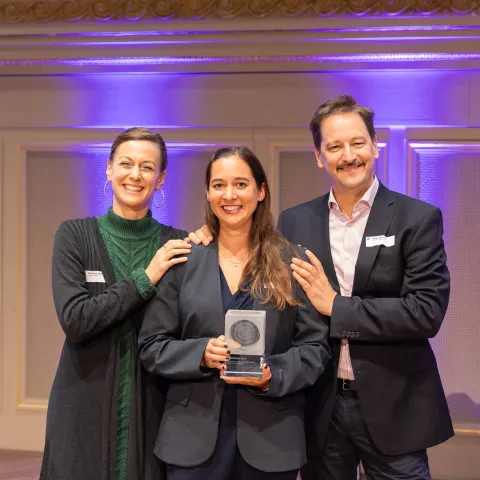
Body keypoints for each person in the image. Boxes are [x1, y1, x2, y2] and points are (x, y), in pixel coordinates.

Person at [277, 95, 453, 479]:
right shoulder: (294, 222)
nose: (349, 155)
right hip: (319, 408)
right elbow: (280, 305)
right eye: (334, 146)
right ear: (319, 156)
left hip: (395, 407)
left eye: (358, 142)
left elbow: (426, 312)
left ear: (375, 146)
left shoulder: (417, 218)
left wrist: (336, 306)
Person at [138, 146, 331, 480]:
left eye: (241, 184)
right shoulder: (184, 259)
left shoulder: (291, 261)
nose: (229, 195)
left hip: (272, 440)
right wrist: (200, 353)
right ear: (208, 193)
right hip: (191, 440)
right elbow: (151, 345)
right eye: (218, 185)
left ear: (261, 191)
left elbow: (316, 349)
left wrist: (273, 373)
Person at [40, 127, 199, 480]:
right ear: (109, 169)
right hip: (82, 402)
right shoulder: (74, 236)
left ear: (161, 179)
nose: (135, 174)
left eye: (147, 167)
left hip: (154, 408)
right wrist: (147, 276)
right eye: (126, 163)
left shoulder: (178, 245)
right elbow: (77, 320)